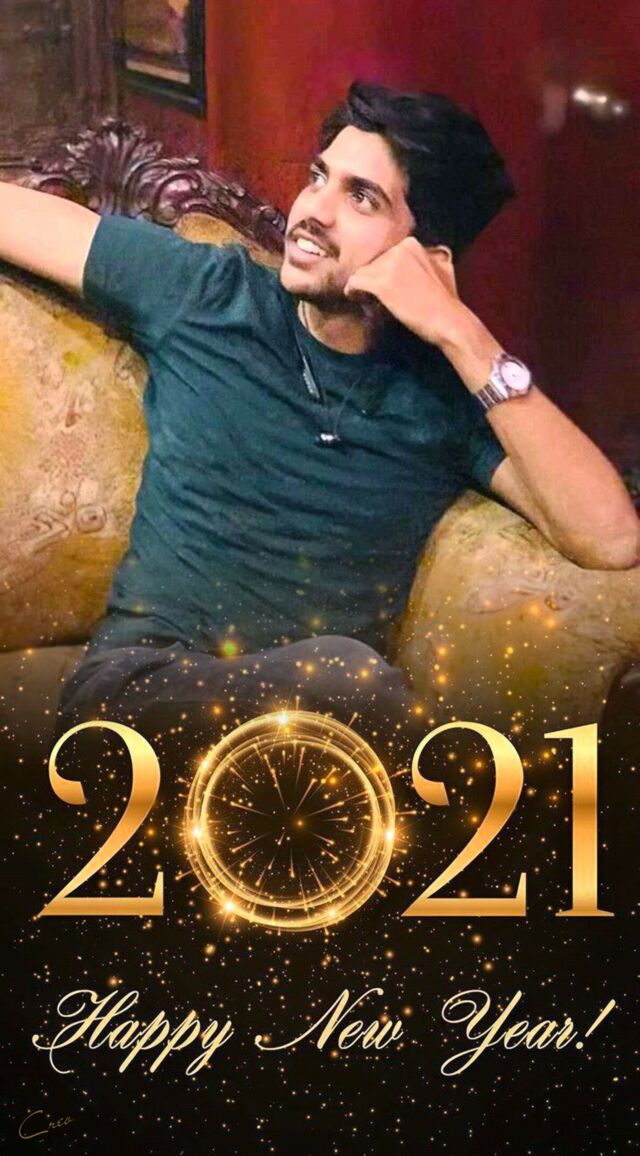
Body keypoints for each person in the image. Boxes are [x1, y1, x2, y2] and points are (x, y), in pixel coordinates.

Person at [2, 82, 637, 752]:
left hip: (310, 751)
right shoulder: (205, 292)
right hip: (138, 700)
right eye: (318, 177)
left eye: (362, 198)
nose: (312, 212)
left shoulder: (444, 396)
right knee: (351, 675)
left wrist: (463, 334)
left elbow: (612, 539)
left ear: (426, 259)